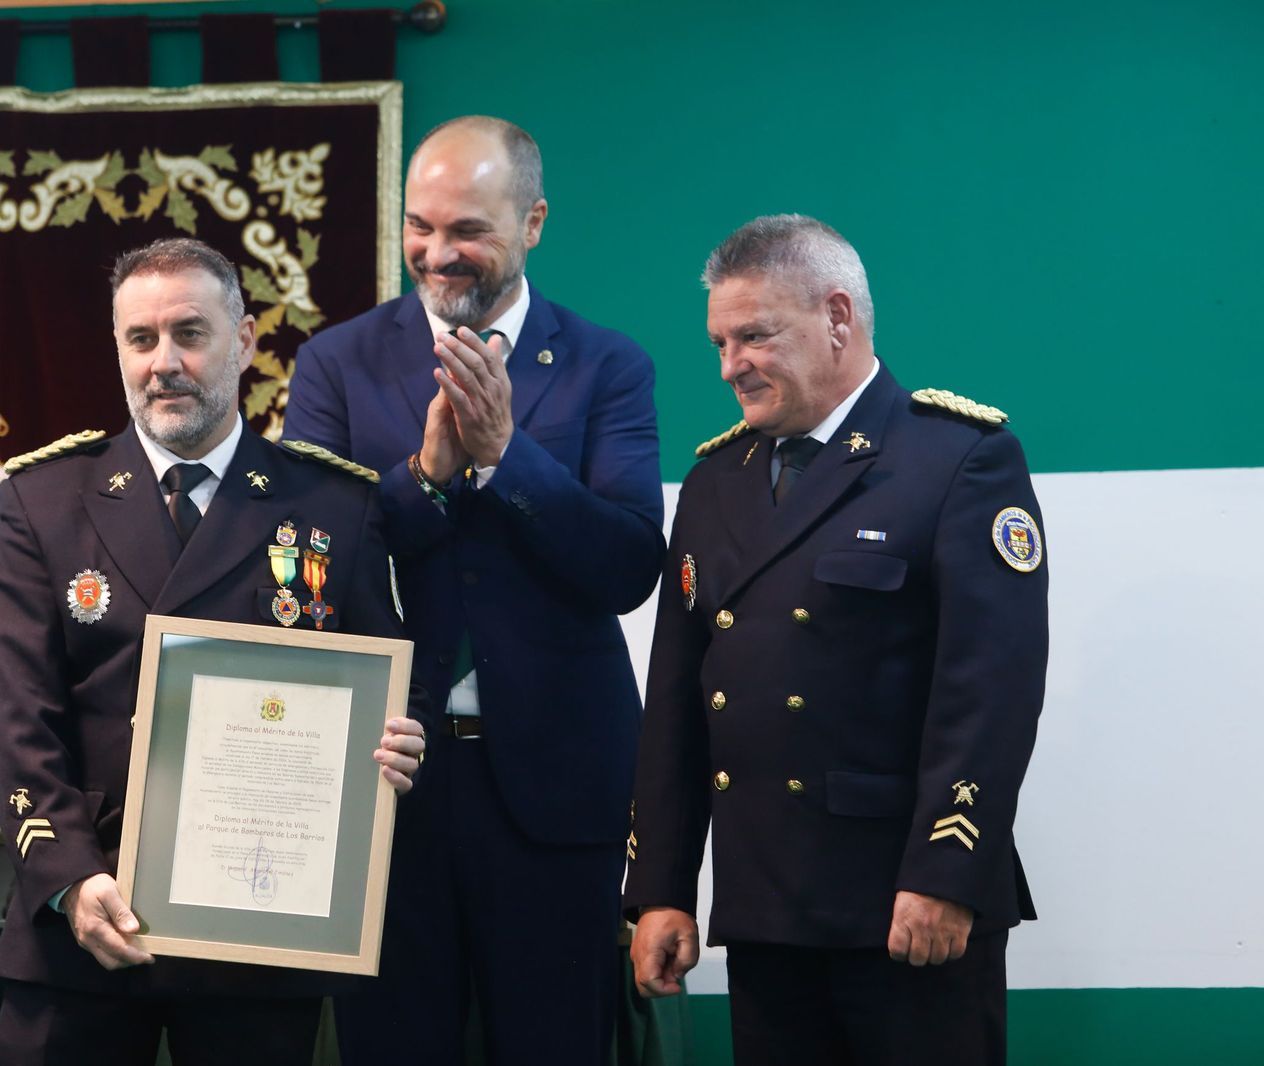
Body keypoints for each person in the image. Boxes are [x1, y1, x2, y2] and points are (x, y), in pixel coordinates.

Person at [0, 237, 427, 1066]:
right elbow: (16, 718)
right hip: (83, 916)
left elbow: (392, 688)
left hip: (257, 937)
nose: (164, 364)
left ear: (247, 340)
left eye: (191, 333)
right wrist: (72, 880)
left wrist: (405, 741)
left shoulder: (334, 503)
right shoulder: (44, 501)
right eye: (140, 340)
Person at [624, 214, 1048, 1065]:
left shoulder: (955, 459)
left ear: (838, 318)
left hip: (905, 906)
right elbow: (676, 702)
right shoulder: (714, 482)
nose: (729, 365)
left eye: (754, 336)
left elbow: (990, 694)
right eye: (719, 342)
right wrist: (661, 889)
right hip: (765, 907)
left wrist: (943, 873)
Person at [284, 116, 665, 1063]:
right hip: (386, 782)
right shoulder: (337, 363)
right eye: (420, 226)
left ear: (533, 221)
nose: (437, 252)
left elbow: (626, 568)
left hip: (556, 787)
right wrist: (422, 473)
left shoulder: (608, 366)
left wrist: (506, 457)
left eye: (468, 230)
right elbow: (308, 569)